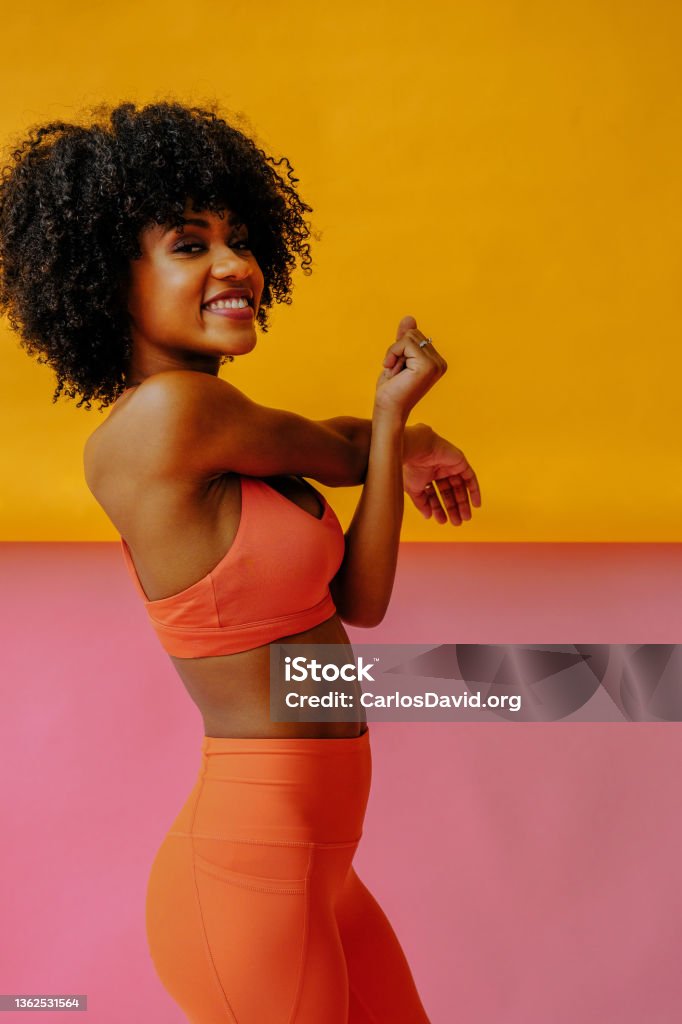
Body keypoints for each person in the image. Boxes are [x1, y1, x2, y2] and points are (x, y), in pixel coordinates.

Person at [0, 100, 481, 1023]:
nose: (238, 266)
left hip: (322, 867)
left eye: (241, 239)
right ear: (111, 278)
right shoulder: (171, 418)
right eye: (190, 243)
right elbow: (337, 450)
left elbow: (361, 601)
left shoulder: (226, 441)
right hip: (248, 872)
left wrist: (394, 426)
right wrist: (397, 433)